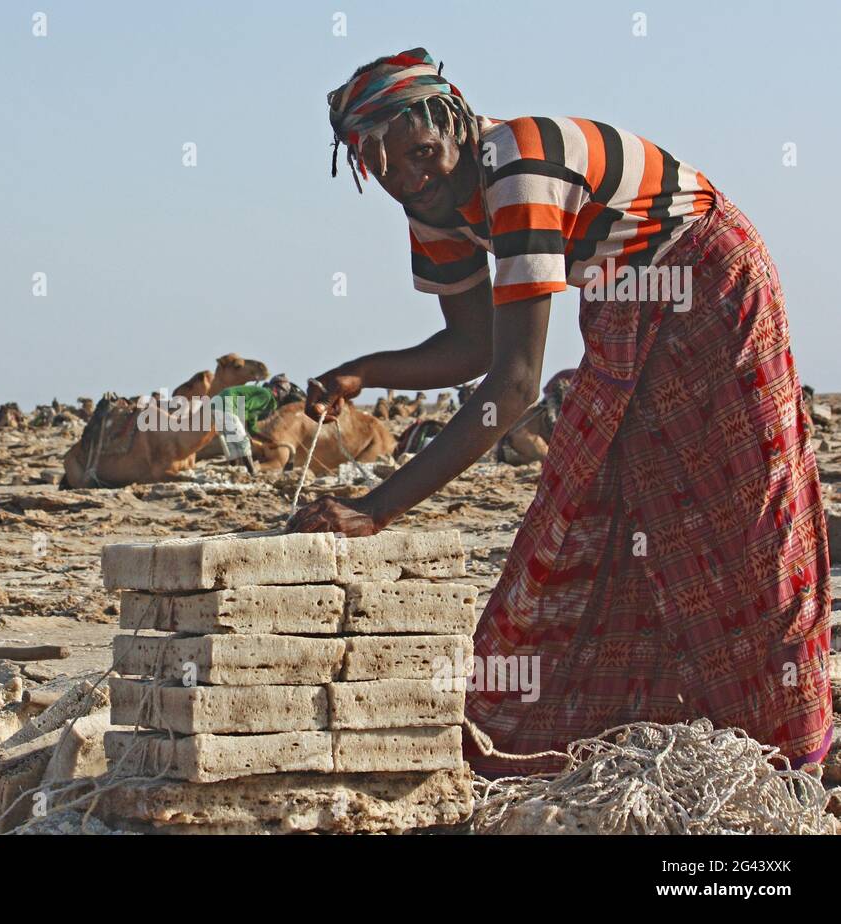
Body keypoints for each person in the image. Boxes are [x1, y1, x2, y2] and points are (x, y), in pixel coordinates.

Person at [288, 48, 831, 774]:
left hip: (708, 275)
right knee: (612, 501)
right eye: (381, 166)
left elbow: (513, 386)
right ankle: (599, 724)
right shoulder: (432, 203)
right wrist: (365, 373)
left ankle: (793, 740)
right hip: (619, 295)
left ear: (454, 123)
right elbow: (469, 347)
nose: (407, 176)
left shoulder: (519, 169)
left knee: (745, 508)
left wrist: (377, 508)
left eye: (418, 153)